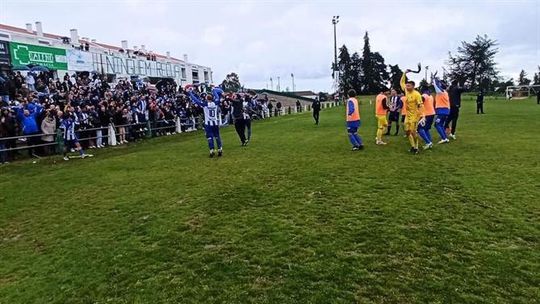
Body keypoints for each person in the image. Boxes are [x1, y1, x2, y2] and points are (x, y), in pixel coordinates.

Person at [188, 87, 224, 157]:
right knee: (217, 136)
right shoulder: (216, 102)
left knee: (210, 137)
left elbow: (196, 100)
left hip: (208, 123)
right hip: (215, 122)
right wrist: (213, 90)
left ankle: (212, 150)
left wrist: (190, 93)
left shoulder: (205, 104)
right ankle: (220, 149)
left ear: (207, 99)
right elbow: (216, 96)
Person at [400, 70, 425, 154]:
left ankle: (415, 147)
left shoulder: (417, 94)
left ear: (413, 86)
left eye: (409, 86)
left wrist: (423, 115)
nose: (407, 87)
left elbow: (421, 105)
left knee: (413, 132)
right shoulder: (406, 91)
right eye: (406, 86)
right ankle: (413, 146)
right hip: (408, 115)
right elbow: (401, 82)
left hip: (415, 115)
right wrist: (404, 73)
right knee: (407, 131)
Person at [432, 76, 450, 144]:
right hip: (445, 111)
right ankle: (445, 137)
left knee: (437, 124)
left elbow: (436, 86)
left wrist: (434, 80)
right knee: (441, 124)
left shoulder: (440, 92)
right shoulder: (445, 92)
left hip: (442, 111)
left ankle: (444, 138)